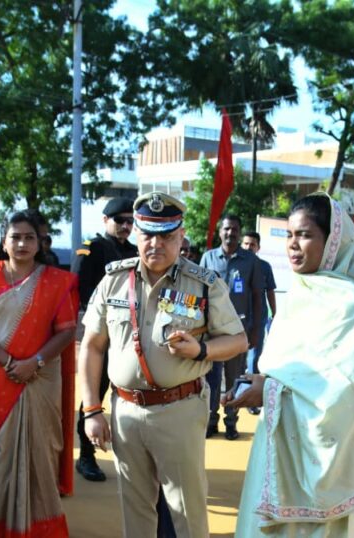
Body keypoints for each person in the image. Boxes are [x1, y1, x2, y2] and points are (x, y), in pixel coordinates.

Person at [79, 192, 248, 537]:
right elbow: (92, 347)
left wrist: (201, 350)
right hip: (124, 410)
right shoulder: (114, 279)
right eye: (147, 234)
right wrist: (92, 410)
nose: (156, 243)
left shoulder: (203, 284)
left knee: (186, 510)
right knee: (135, 508)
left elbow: (237, 340)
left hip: (179, 409)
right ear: (136, 234)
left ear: (181, 236)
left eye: (167, 235)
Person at [228, 193, 354, 537]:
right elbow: (295, 370)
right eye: (289, 235)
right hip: (279, 445)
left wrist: (270, 390)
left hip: (324, 462)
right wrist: (264, 381)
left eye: (304, 235)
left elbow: (346, 391)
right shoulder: (300, 291)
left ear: (333, 241)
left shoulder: (353, 303)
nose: (293, 245)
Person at [0, 210, 78, 536]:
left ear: (40, 242)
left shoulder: (56, 281)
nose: (22, 243)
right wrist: (9, 362)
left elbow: (66, 331)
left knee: (40, 457)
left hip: (40, 379)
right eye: (15, 236)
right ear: (4, 241)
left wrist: (35, 363)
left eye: (29, 237)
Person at [71, 196, 136, 482]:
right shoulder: (93, 249)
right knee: (93, 395)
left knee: (129, 392)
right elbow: (79, 289)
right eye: (119, 221)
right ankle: (86, 455)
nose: (125, 226)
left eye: (130, 221)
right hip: (101, 334)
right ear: (105, 221)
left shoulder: (136, 251)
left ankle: (132, 456)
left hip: (129, 336)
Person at [200, 214, 265, 439]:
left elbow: (258, 296)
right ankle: (210, 421)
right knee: (211, 381)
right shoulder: (208, 258)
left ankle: (231, 422)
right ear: (220, 232)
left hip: (239, 332)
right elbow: (199, 294)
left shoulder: (250, 261)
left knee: (235, 379)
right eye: (227, 229)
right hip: (212, 334)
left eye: (235, 229)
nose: (231, 233)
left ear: (239, 232)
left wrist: (256, 330)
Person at [240, 231, 277, 375]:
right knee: (237, 356)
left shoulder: (265, 267)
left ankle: (250, 387)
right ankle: (237, 388)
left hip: (258, 319)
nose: (249, 247)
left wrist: (274, 314)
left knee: (255, 356)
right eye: (246, 243)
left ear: (258, 247)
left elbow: (270, 291)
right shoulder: (235, 264)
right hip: (238, 317)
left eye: (252, 244)